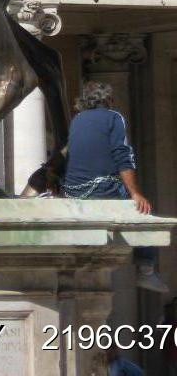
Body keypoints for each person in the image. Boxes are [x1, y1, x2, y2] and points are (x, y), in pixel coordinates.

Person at [63, 80, 168, 293]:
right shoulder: (114, 117)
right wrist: (135, 193)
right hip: (102, 188)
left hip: (73, 190)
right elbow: (122, 156)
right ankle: (146, 270)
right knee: (144, 214)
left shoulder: (77, 119)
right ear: (109, 100)